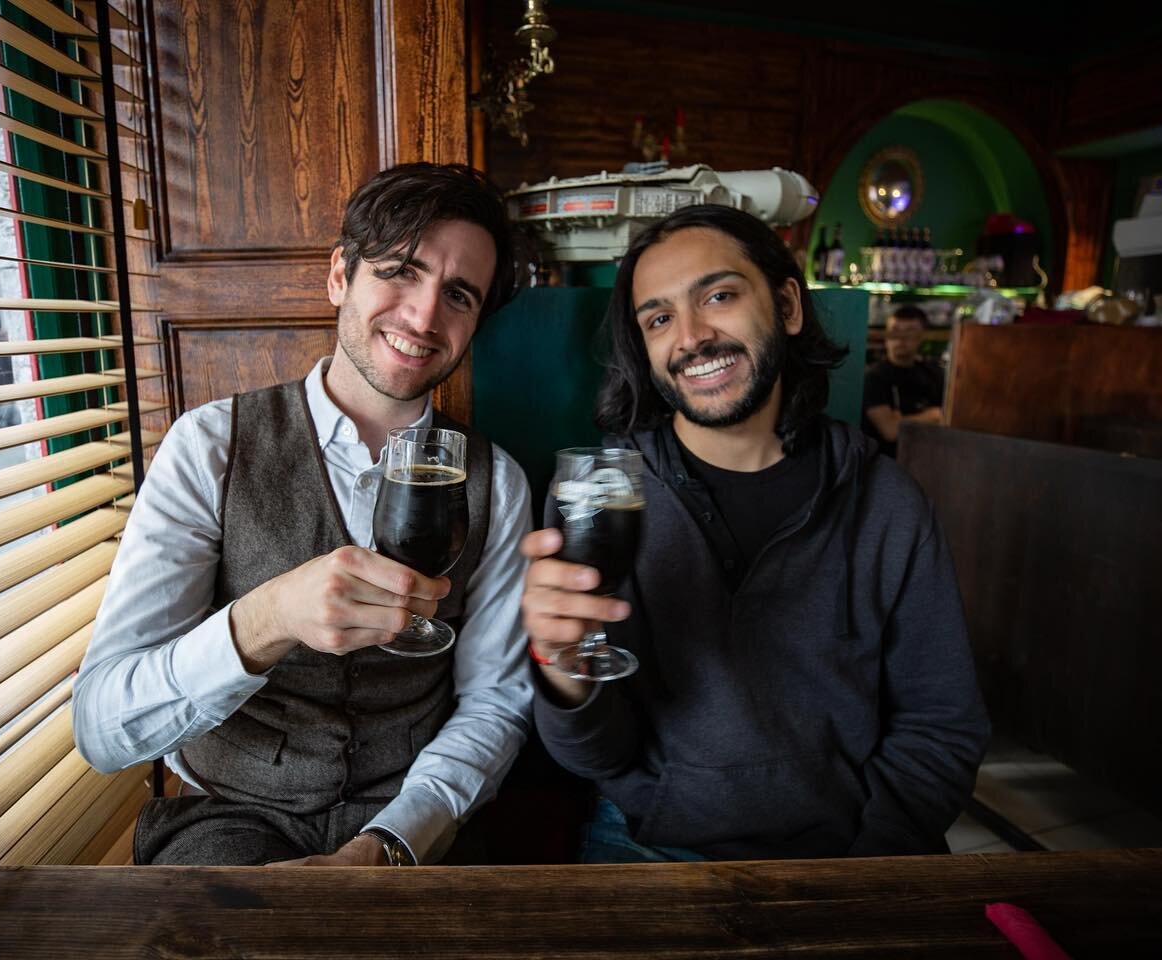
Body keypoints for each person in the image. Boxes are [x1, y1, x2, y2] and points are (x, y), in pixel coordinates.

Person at [73, 162, 534, 867]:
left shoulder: (498, 482)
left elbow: (493, 704)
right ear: (340, 276)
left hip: (417, 821)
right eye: (400, 271)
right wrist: (268, 620)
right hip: (228, 819)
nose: (423, 316)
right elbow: (102, 728)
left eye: (459, 295)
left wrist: (395, 839)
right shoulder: (210, 446)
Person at [519, 204, 989, 863]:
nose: (691, 336)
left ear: (789, 307)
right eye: (659, 318)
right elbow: (594, 755)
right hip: (653, 838)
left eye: (719, 295)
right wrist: (559, 666)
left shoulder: (887, 502)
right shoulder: (600, 502)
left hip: (851, 849)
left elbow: (941, 728)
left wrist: (868, 869)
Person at [862, 305, 944, 459]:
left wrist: (904, 421)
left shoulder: (933, 373)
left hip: (930, 459)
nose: (900, 338)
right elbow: (891, 430)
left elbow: (949, 418)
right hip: (887, 465)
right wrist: (932, 416)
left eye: (909, 331)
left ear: (922, 336)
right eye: (895, 330)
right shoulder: (875, 377)